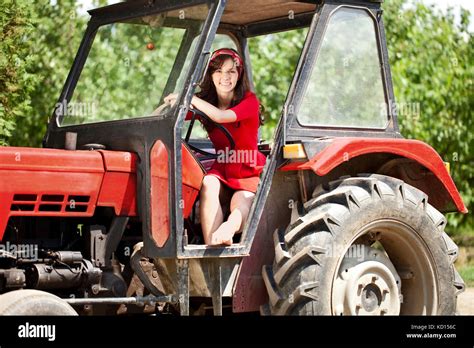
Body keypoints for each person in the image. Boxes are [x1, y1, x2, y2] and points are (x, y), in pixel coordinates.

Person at [163, 48, 266, 246]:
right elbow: (171, 116)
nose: (225, 77)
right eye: (218, 71)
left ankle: (229, 228)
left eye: (231, 71)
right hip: (223, 165)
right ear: (210, 75)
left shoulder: (249, 101)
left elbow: (221, 117)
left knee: (241, 199)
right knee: (209, 183)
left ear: (239, 74)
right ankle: (212, 246)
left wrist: (189, 98)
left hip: (247, 166)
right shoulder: (207, 102)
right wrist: (170, 104)